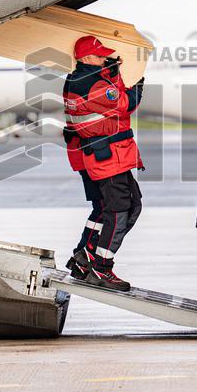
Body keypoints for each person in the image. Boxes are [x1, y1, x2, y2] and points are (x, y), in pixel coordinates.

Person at [62, 35, 144, 292]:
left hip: (98, 155)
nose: (103, 60)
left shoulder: (78, 79)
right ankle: (101, 266)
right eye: (99, 56)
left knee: (105, 208)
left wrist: (113, 70)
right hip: (109, 156)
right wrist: (138, 79)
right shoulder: (95, 85)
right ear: (86, 58)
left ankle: (85, 254)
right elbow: (126, 103)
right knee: (121, 210)